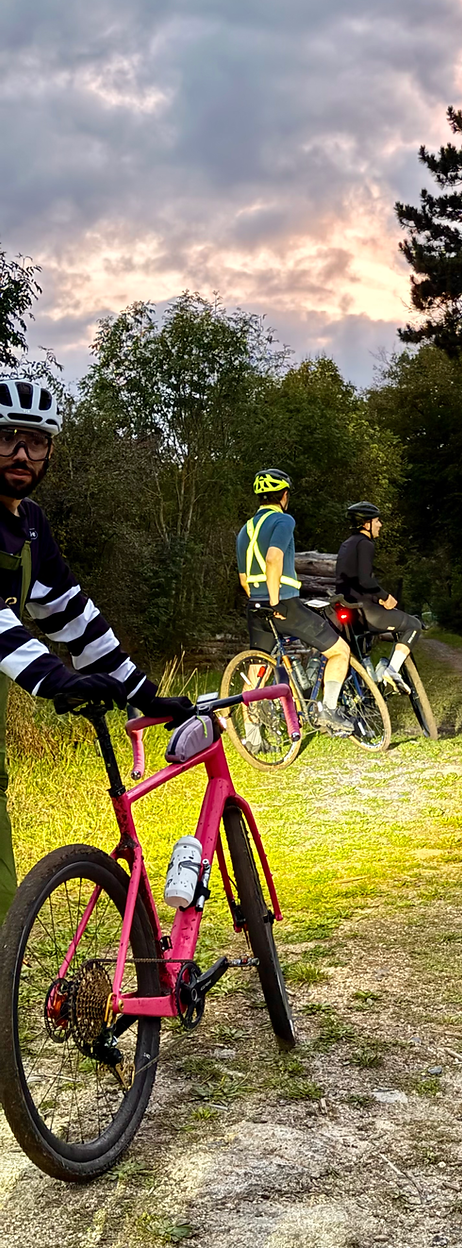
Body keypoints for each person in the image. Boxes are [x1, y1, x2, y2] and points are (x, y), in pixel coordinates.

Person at [0, 378, 193, 924]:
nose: (21, 454)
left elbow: (71, 616)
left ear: (50, 451)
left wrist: (143, 695)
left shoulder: (30, 525)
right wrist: (52, 679)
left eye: (34, 441)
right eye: (8, 438)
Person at [236, 469, 353, 735]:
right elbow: (273, 559)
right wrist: (276, 601)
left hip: (256, 605)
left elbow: (244, 579)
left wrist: (262, 600)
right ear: (284, 496)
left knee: (257, 667)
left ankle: (252, 737)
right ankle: (329, 710)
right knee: (339, 651)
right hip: (284, 604)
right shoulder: (283, 520)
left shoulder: (245, 530)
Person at [335, 502, 422, 694]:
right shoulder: (365, 544)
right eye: (377, 520)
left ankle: (372, 689)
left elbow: (350, 580)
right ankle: (391, 670)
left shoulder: (346, 544)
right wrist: (384, 596)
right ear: (366, 524)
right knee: (413, 624)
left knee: (362, 652)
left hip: (348, 610)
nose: (380, 524)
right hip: (366, 611)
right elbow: (365, 580)